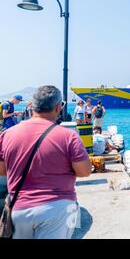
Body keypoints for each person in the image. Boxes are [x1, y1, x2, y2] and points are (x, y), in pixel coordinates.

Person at [0, 86, 92, 239]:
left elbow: (2, 170)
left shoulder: (7, 134)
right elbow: (85, 171)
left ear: (33, 106)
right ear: (58, 107)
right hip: (60, 208)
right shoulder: (69, 136)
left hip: (20, 208)